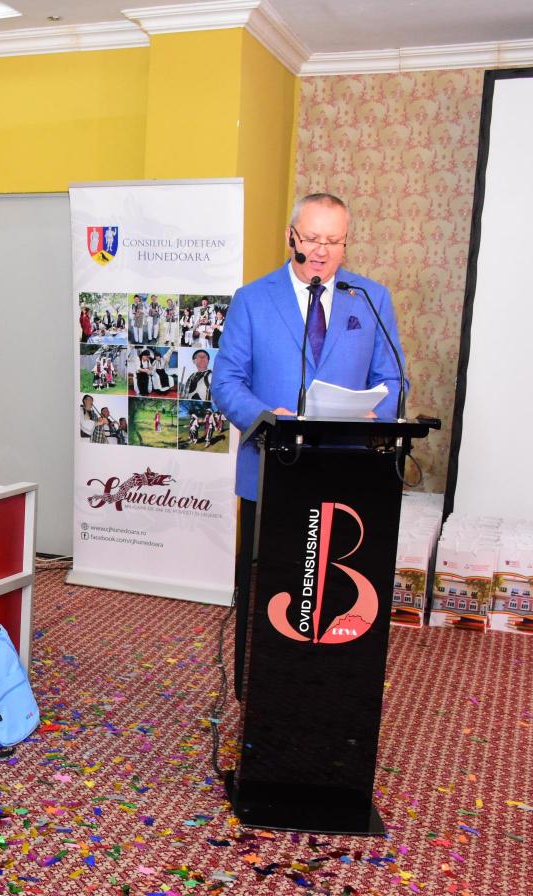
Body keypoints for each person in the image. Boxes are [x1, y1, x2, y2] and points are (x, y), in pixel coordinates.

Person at [212, 192, 408, 697]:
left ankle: (329, 688)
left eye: (333, 241)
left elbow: (393, 380)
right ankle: (258, 690)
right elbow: (226, 383)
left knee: (336, 589)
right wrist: (265, 417)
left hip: (347, 473)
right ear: (291, 237)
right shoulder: (253, 299)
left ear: (346, 243)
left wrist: (374, 414)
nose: (322, 251)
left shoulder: (370, 298)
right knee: (271, 588)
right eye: (313, 238)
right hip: (272, 470)